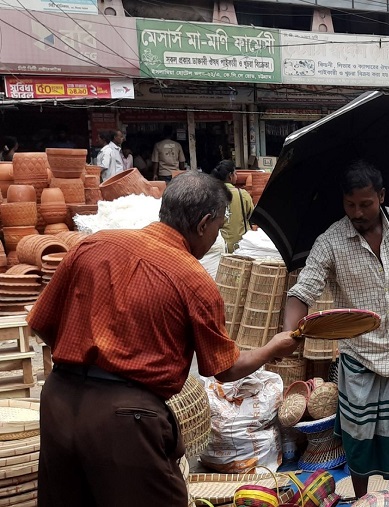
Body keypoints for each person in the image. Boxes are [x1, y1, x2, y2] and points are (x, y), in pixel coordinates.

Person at [28, 171, 300, 507]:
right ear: (203, 223)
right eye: (218, 228)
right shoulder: (193, 279)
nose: (216, 237)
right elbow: (225, 370)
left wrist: (84, 359)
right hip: (126, 418)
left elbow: (41, 323)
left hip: (58, 400)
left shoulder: (92, 245)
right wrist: (275, 346)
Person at [282, 161, 389, 505]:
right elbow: (302, 291)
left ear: (381, 196)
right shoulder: (331, 241)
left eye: (366, 204)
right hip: (361, 357)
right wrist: (288, 334)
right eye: (350, 204)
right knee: (359, 437)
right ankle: (361, 499)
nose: (357, 212)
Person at [209, 159, 254, 253]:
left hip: (220, 247)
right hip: (241, 245)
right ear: (230, 176)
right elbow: (252, 217)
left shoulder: (211, 195)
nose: (237, 176)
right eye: (235, 173)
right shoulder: (242, 195)